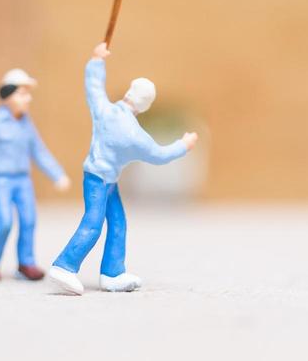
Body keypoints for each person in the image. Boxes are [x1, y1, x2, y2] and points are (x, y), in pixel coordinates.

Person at [46, 42, 197, 295]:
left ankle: (112, 272)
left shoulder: (106, 110)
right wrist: (183, 144)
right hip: (99, 180)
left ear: (129, 92)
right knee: (93, 223)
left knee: (117, 222)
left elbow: (93, 88)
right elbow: (159, 155)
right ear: (146, 104)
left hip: (101, 178)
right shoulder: (133, 135)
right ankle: (65, 265)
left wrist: (96, 61)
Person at [0, 68, 70, 282]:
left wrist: (57, 174)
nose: (28, 98)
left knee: (29, 221)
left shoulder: (26, 124)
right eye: (22, 93)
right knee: (5, 223)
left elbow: (39, 151)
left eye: (28, 93)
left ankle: (26, 263)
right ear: (8, 95)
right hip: (2, 181)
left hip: (23, 181)